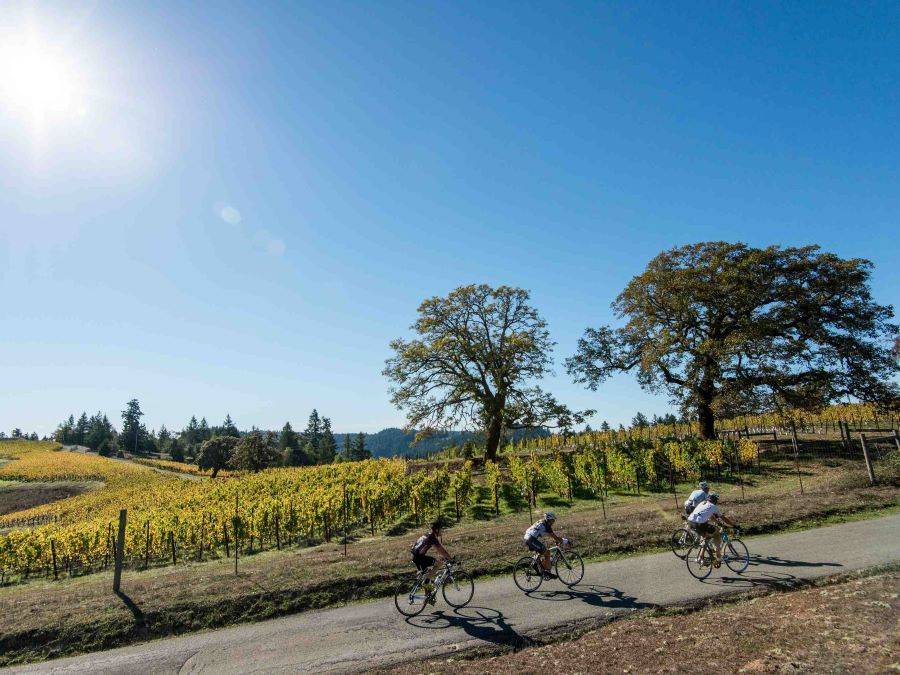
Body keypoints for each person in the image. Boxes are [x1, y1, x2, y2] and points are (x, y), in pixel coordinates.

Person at [686, 493, 738, 567]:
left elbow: (711, 517)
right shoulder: (714, 507)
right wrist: (733, 525)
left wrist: (719, 523)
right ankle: (718, 557)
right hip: (700, 524)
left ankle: (701, 558)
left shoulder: (702, 503)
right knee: (717, 533)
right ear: (715, 501)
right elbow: (723, 518)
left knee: (706, 536)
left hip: (691, 522)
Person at [410, 520, 451, 603]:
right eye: (441, 529)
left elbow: (438, 550)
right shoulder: (432, 538)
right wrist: (450, 558)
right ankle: (426, 587)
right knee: (439, 564)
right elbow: (441, 550)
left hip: (415, 556)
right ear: (436, 530)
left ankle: (427, 598)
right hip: (419, 558)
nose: (442, 531)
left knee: (427, 574)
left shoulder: (427, 535)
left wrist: (443, 555)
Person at [523, 512, 565, 578]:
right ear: (548, 519)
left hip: (527, 537)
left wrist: (556, 539)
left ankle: (537, 565)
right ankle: (547, 572)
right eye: (552, 520)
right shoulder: (547, 525)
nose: (553, 522)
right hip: (531, 539)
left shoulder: (541, 522)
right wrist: (562, 540)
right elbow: (553, 536)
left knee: (542, 552)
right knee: (547, 552)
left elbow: (548, 534)